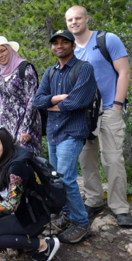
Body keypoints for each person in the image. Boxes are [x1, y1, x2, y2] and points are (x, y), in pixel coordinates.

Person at [65, 5, 132, 225]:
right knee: (86, 158)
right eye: (69, 20)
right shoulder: (70, 49)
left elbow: (123, 71)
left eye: (77, 18)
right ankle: (94, 200)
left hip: (108, 109)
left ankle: (119, 207)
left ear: (86, 18)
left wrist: (118, 104)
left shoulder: (107, 40)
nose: (73, 22)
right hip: (83, 114)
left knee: (113, 159)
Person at [33, 30, 96, 244]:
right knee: (56, 179)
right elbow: (38, 100)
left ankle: (81, 222)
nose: (59, 46)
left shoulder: (84, 69)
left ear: (73, 45)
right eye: (56, 43)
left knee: (67, 178)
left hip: (72, 131)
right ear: (52, 47)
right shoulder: (50, 72)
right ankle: (68, 214)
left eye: (64, 42)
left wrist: (51, 105)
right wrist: (56, 100)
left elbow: (78, 102)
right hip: (53, 132)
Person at [0, 125, 59, 261]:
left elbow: (11, 205)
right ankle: (18, 242)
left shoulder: (17, 166)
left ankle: (44, 245)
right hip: (21, 209)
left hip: (33, 215)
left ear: (5, 143)